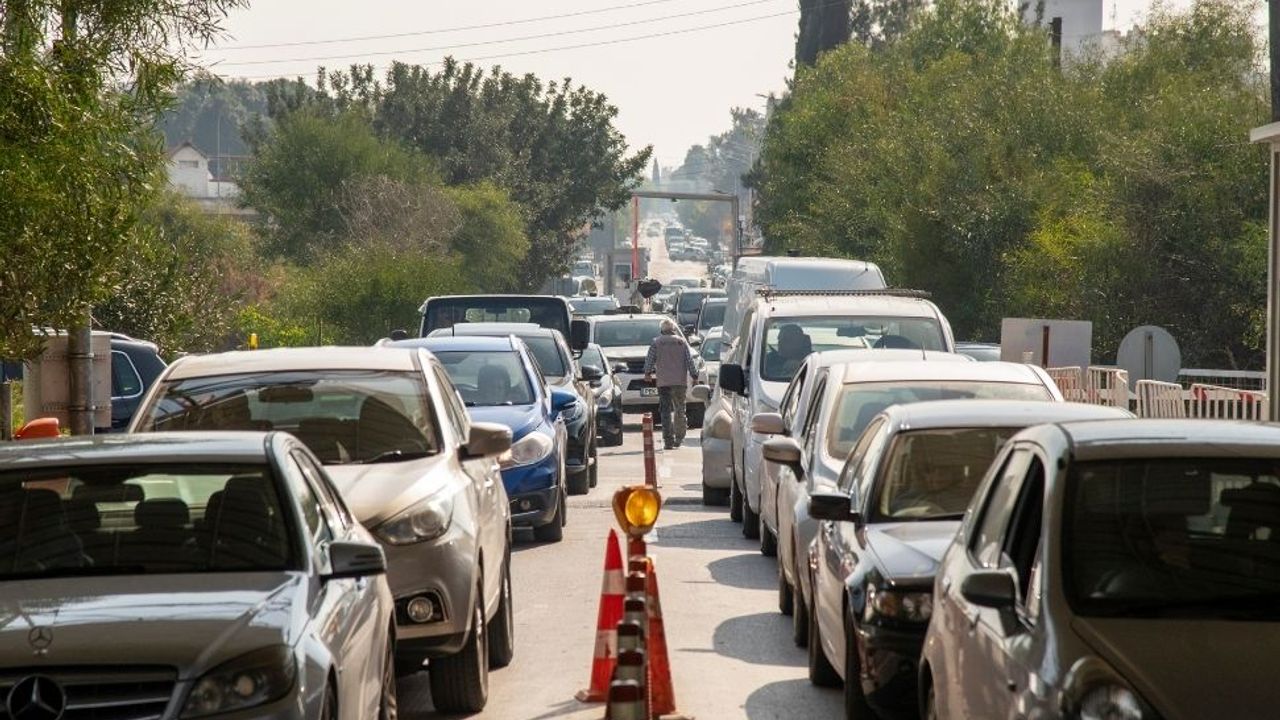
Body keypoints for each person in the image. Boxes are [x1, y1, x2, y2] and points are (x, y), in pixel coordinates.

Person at [644, 319, 698, 449]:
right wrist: (694, 376)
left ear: (661, 330)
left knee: (665, 411)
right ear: (673, 329)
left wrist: (647, 373)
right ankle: (679, 437)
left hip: (663, 382)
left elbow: (650, 360)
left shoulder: (656, 343)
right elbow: (689, 361)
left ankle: (668, 440)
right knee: (680, 409)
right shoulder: (681, 342)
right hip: (679, 382)